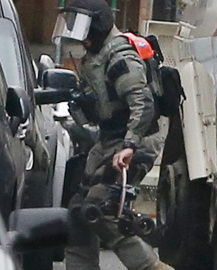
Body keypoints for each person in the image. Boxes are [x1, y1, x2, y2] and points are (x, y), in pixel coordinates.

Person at [51, 0, 173, 269]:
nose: (79, 34)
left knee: (102, 211)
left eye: (82, 25)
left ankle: (152, 267)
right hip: (109, 141)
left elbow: (143, 104)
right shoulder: (99, 54)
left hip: (132, 142)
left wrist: (129, 146)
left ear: (97, 24)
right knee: (80, 211)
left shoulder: (120, 56)